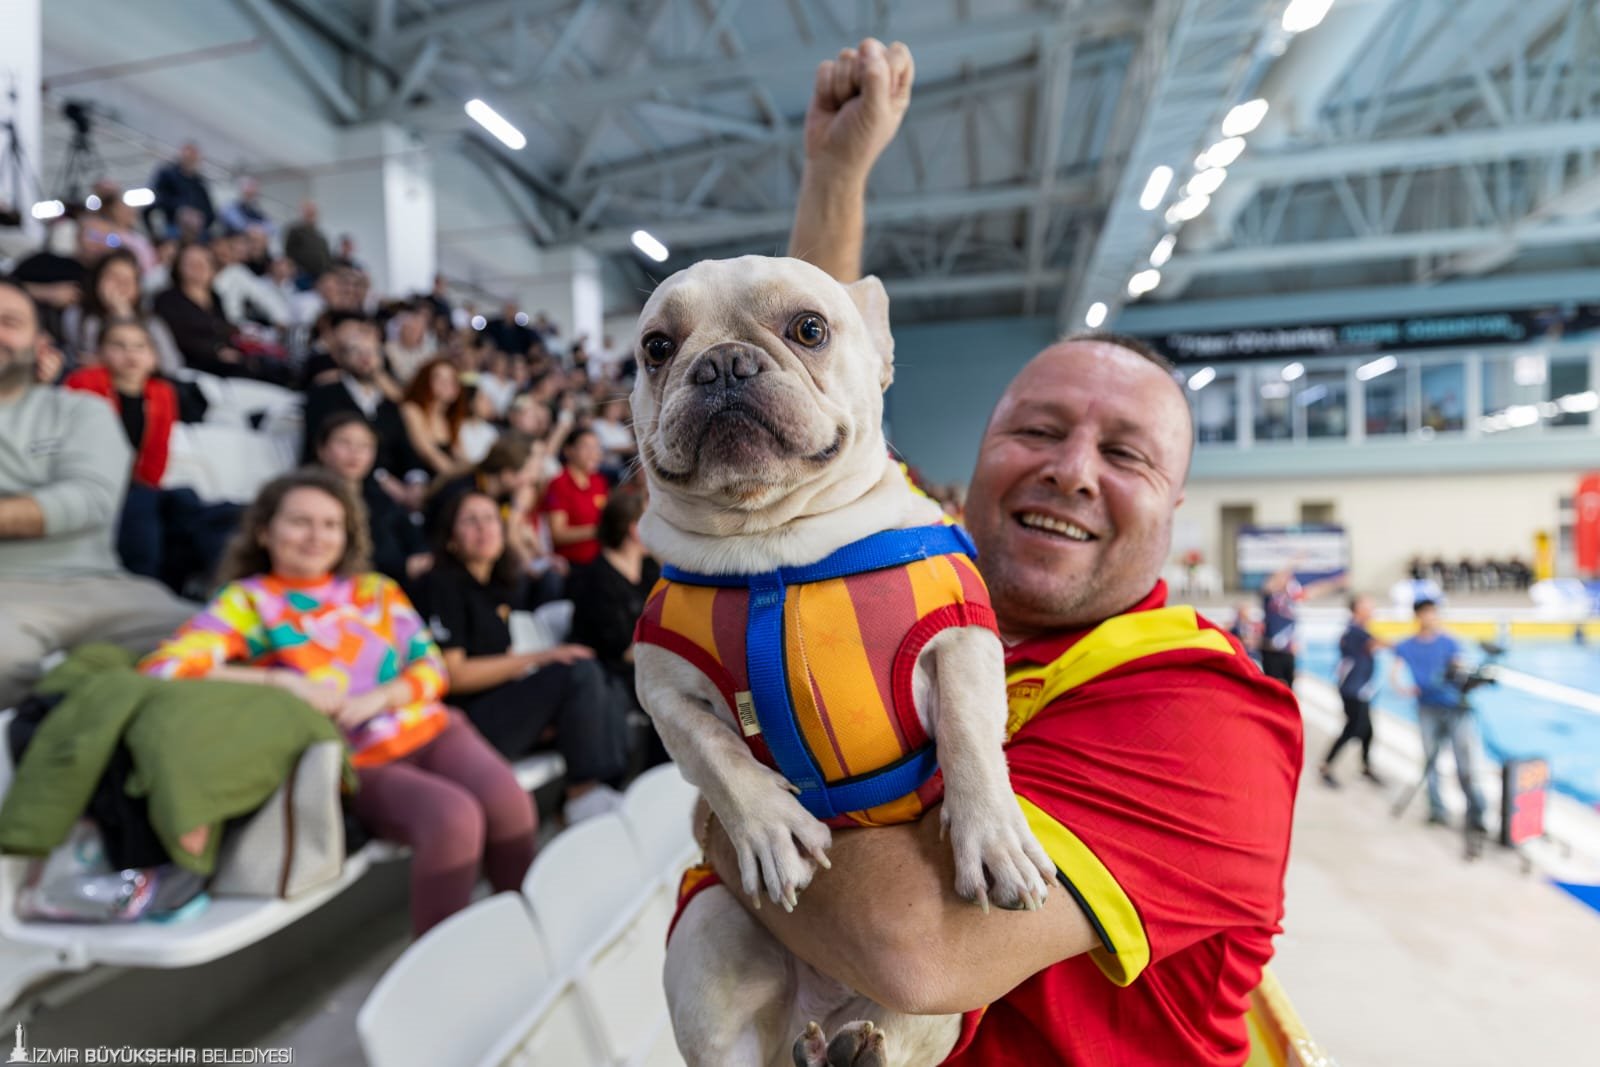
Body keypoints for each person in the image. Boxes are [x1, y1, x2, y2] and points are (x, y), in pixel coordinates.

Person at [687, 40, 1301, 1065]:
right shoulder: (917, 577)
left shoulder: (1205, 715)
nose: (1069, 469)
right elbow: (820, 407)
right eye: (1036, 431)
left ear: (1175, 507)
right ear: (968, 470)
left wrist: (720, 806)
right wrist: (835, 176)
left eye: (1123, 452)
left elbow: (909, 947)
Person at [139, 469, 536, 935]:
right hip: (350, 758)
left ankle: (520, 940)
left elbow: (430, 665)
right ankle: (443, 982)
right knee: (453, 820)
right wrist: (283, 686)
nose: (317, 536)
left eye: (331, 524)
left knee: (512, 809)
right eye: (300, 522)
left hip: (430, 728)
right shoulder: (248, 601)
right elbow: (163, 668)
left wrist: (380, 698)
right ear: (265, 530)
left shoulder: (374, 590)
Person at [0, 279, 195, 707]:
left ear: (39, 342)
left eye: (9, 322)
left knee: (214, 643)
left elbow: (89, 499)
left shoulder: (78, 410)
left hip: (103, 585)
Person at [418, 490, 632, 823]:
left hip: (504, 708)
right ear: (450, 538)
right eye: (471, 520)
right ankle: (584, 795)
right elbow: (454, 675)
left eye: (491, 519)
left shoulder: (496, 586)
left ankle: (606, 787)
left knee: (603, 677)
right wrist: (541, 658)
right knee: (576, 671)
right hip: (467, 726)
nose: (484, 528)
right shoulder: (441, 584)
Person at [63, 318, 238, 589]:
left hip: (138, 487)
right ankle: (146, 586)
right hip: (89, 484)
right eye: (118, 346)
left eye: (139, 347)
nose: (130, 354)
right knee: (150, 513)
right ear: (100, 353)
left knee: (186, 504)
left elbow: (158, 452)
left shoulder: (162, 393)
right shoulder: (85, 382)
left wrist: (147, 488)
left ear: (153, 356)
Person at [1390, 599, 1487, 830]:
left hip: (1454, 709)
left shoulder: (1449, 642)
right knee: (1430, 762)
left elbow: (1459, 667)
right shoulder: (1407, 645)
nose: (1431, 617)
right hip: (1427, 709)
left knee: (1465, 765)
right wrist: (1403, 688)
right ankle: (1437, 810)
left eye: (1434, 613)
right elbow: (1395, 672)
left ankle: (1476, 812)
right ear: (1418, 616)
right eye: (1427, 613)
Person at [314, 411, 430, 584]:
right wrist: (402, 567)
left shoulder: (382, 499)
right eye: (344, 442)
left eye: (365, 446)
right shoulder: (308, 499)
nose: (355, 453)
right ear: (322, 449)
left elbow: (415, 540)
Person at [566, 490, 657, 701]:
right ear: (635, 531)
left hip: (644, 671)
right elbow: (623, 651)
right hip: (611, 682)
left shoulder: (649, 568)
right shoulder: (596, 581)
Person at [300, 313, 409, 476]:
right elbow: (316, 448)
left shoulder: (390, 402)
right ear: (341, 358)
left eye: (372, 352)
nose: (366, 358)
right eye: (355, 351)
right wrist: (381, 478)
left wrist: (415, 481)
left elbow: (405, 451)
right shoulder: (323, 394)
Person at [61, 248, 184, 376]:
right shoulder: (77, 315)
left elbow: (171, 366)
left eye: (128, 280)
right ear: (97, 280)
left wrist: (125, 317)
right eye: (113, 277)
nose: (121, 284)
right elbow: (81, 358)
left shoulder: (151, 322)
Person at [1319, 594, 1387, 788]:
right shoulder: (1355, 631)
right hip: (1352, 689)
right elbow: (1381, 643)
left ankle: (1366, 767)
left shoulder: (1357, 630)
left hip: (1359, 688)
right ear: (1358, 609)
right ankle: (1325, 766)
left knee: (1367, 730)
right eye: (1368, 605)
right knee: (1353, 729)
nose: (1373, 609)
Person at [1259, 561, 1345, 690]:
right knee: (1274, 688)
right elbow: (1272, 581)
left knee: (1289, 688)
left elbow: (1316, 589)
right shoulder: (1270, 597)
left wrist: (1335, 582)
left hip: (1288, 651)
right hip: (1272, 651)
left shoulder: (1292, 598)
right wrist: (1295, 561)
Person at [541, 426, 608, 566]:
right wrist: (598, 530)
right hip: (571, 563)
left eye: (596, 447)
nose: (594, 453)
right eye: (586, 447)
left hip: (600, 558)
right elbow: (557, 534)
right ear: (569, 451)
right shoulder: (559, 483)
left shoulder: (599, 481)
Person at [397, 357, 470, 479]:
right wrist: (457, 478)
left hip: (444, 478)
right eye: (439, 378)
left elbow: (460, 455)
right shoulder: (412, 409)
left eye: (452, 380)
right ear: (425, 381)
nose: (446, 384)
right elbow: (428, 453)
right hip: (418, 479)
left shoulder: (450, 419)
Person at [145, 142, 215, 240]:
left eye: (193, 157)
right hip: (173, 225)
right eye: (188, 157)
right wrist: (180, 209)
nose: (191, 160)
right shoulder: (167, 174)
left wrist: (202, 218)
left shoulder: (199, 182)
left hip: (197, 232)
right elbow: (158, 196)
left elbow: (209, 209)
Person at [284, 201, 333, 282]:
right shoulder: (295, 231)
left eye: (313, 213)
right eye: (308, 213)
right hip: (302, 275)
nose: (311, 215)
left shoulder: (320, 236)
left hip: (320, 277)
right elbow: (288, 252)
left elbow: (327, 257)